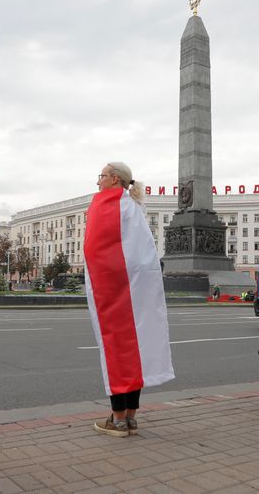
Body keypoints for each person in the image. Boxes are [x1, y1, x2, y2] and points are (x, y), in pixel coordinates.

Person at [84, 162, 175, 437]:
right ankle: (132, 417)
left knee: (115, 347)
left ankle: (118, 419)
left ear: (113, 179)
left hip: (115, 289)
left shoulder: (106, 203)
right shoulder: (134, 206)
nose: (97, 182)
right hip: (140, 288)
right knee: (140, 345)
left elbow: (93, 248)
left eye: (100, 176)